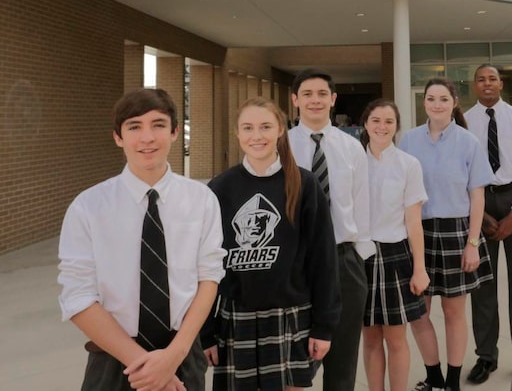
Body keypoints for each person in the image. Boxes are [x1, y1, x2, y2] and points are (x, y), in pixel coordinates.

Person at [58, 88, 225, 391]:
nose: (147, 137)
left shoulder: (202, 200)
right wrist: (147, 366)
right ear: (118, 137)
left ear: (175, 131)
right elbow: (78, 296)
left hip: (182, 356)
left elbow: (209, 278)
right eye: (134, 126)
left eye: (158, 125)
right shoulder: (88, 207)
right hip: (113, 359)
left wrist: (172, 357)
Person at [201, 97, 340, 390]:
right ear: (237, 134)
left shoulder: (304, 184)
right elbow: (204, 265)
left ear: (280, 130)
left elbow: (323, 261)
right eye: (248, 128)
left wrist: (323, 327)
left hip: (290, 315)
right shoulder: (219, 188)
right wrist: (206, 332)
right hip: (236, 316)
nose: (257, 135)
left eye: (265, 126)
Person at [399, 78, 494, 391]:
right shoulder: (409, 141)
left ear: (454, 102)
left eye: (442, 98)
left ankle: (452, 382)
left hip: (457, 232)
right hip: (418, 232)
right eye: (430, 99)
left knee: (454, 312)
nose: (436, 104)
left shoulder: (469, 142)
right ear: (423, 103)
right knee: (418, 311)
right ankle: (435, 377)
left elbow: (477, 196)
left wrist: (472, 243)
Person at [287, 69, 375, 391]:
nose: (315, 100)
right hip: (296, 264)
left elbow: (362, 206)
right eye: (307, 94)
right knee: (296, 364)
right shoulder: (279, 146)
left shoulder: (352, 148)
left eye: (322, 94)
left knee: (342, 364)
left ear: (333, 99)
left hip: (344, 263)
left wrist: (358, 260)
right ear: (295, 100)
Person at [464, 64, 512, 385]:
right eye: (481, 79)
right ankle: (486, 356)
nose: (487, 84)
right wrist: (477, 216)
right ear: (474, 86)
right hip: (481, 204)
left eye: (492, 78)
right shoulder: (464, 122)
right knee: (483, 285)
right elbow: (461, 172)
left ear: (501, 84)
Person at [359, 99, 430, 391]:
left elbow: (414, 222)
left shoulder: (408, 165)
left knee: (396, 339)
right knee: (370, 338)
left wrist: (420, 269)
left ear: (397, 126)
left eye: (389, 121)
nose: (382, 127)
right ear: (365, 124)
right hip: (360, 256)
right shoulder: (353, 162)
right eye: (376, 120)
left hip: (395, 255)